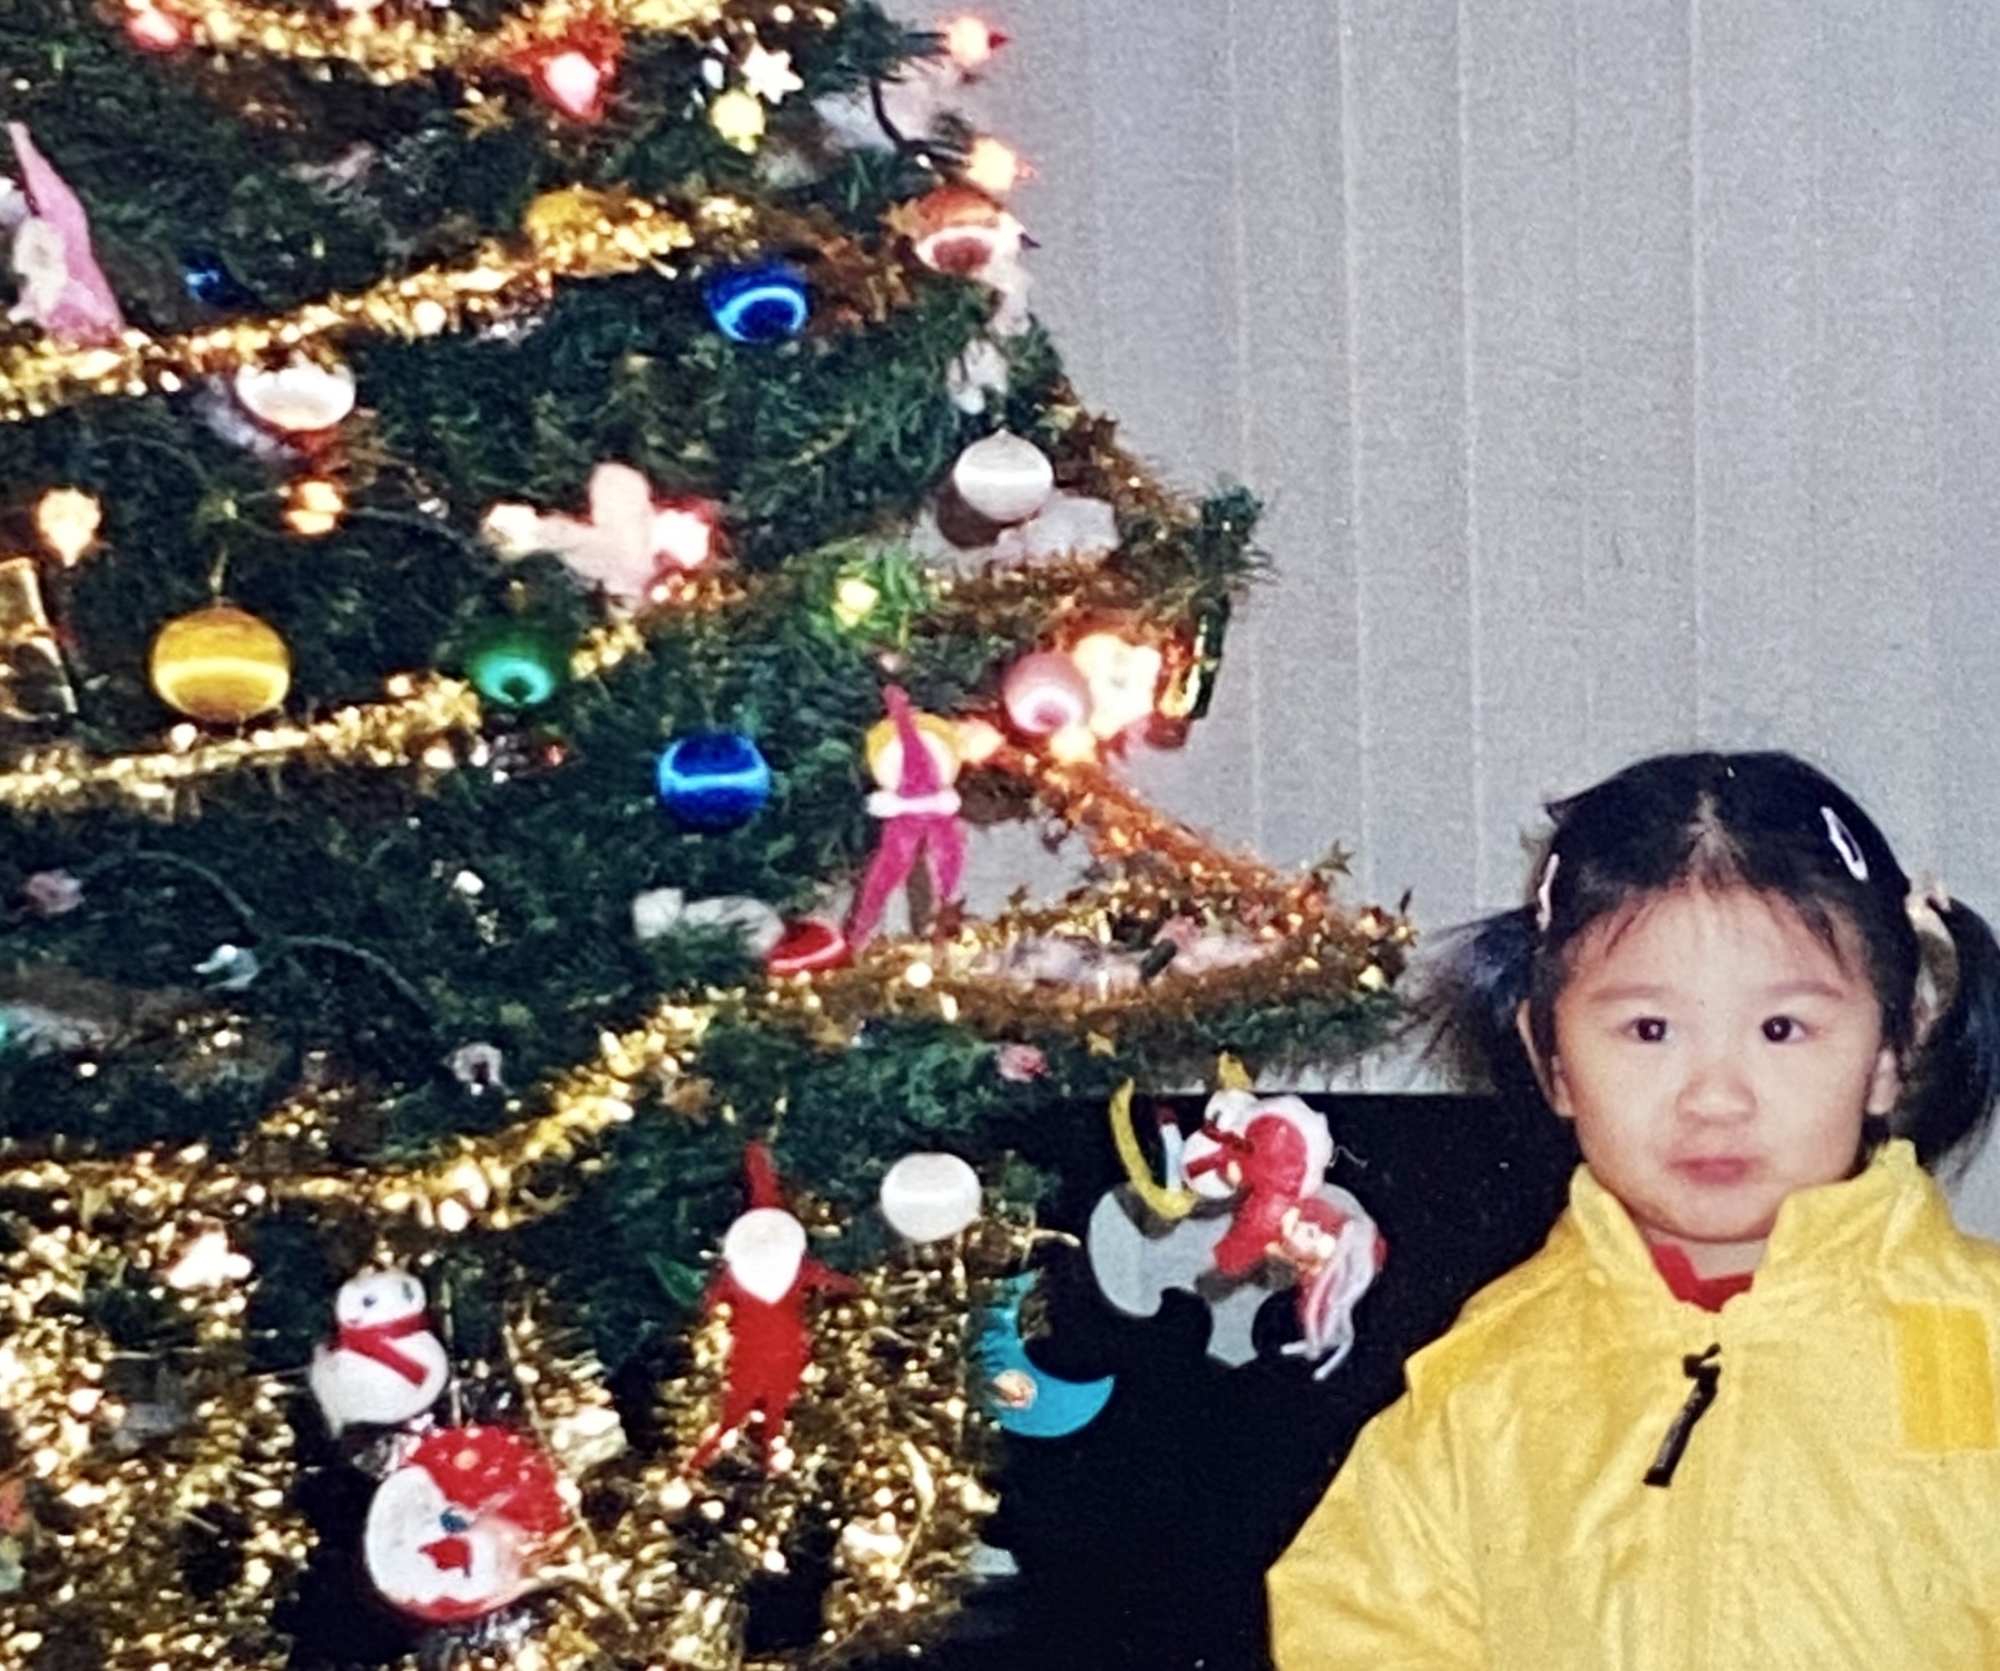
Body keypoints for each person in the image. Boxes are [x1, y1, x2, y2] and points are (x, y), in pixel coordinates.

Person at [1267, 750, 2000, 1669]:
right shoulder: (1483, 1382)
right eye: (1650, 1030)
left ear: (1893, 1047)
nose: (1716, 1097)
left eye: (1781, 1029)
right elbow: (1359, 1628)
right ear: (1552, 1057)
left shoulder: (1983, 1340)